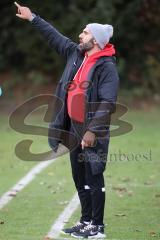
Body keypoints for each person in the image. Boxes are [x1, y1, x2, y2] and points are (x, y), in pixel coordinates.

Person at [14, 2, 119, 239]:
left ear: (97, 40)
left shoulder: (106, 66)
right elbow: (54, 36)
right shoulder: (76, 53)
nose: (80, 35)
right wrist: (33, 18)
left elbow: (107, 102)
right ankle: (85, 221)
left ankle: (97, 227)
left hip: (91, 129)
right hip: (72, 127)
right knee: (79, 176)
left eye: (85, 32)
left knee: (94, 175)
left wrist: (92, 131)